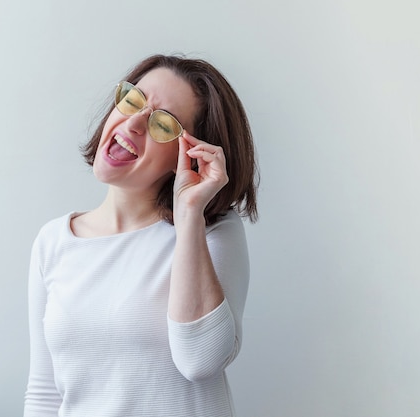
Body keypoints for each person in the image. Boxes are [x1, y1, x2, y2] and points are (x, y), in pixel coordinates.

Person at [24, 54, 258, 417]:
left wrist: (190, 213)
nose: (133, 123)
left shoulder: (212, 232)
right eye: (133, 100)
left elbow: (200, 361)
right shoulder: (53, 242)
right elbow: (43, 394)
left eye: (163, 125)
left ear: (190, 156)